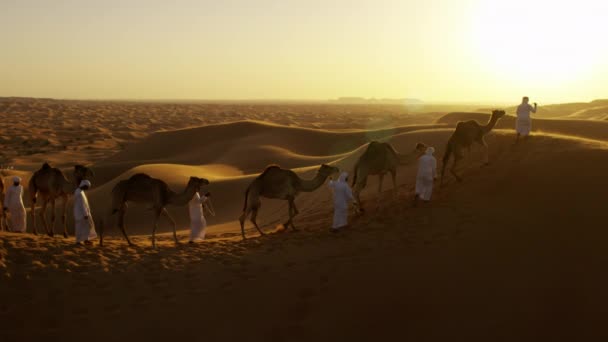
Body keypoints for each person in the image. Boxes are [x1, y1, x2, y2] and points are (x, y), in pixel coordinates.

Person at [73, 180, 97, 245]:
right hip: (81, 213)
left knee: (86, 227)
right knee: (80, 227)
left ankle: (86, 239)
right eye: (87, 187)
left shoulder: (79, 191)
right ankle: (78, 241)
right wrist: (85, 214)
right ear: (84, 186)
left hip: (82, 213)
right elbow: (82, 204)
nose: (88, 188)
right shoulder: (79, 193)